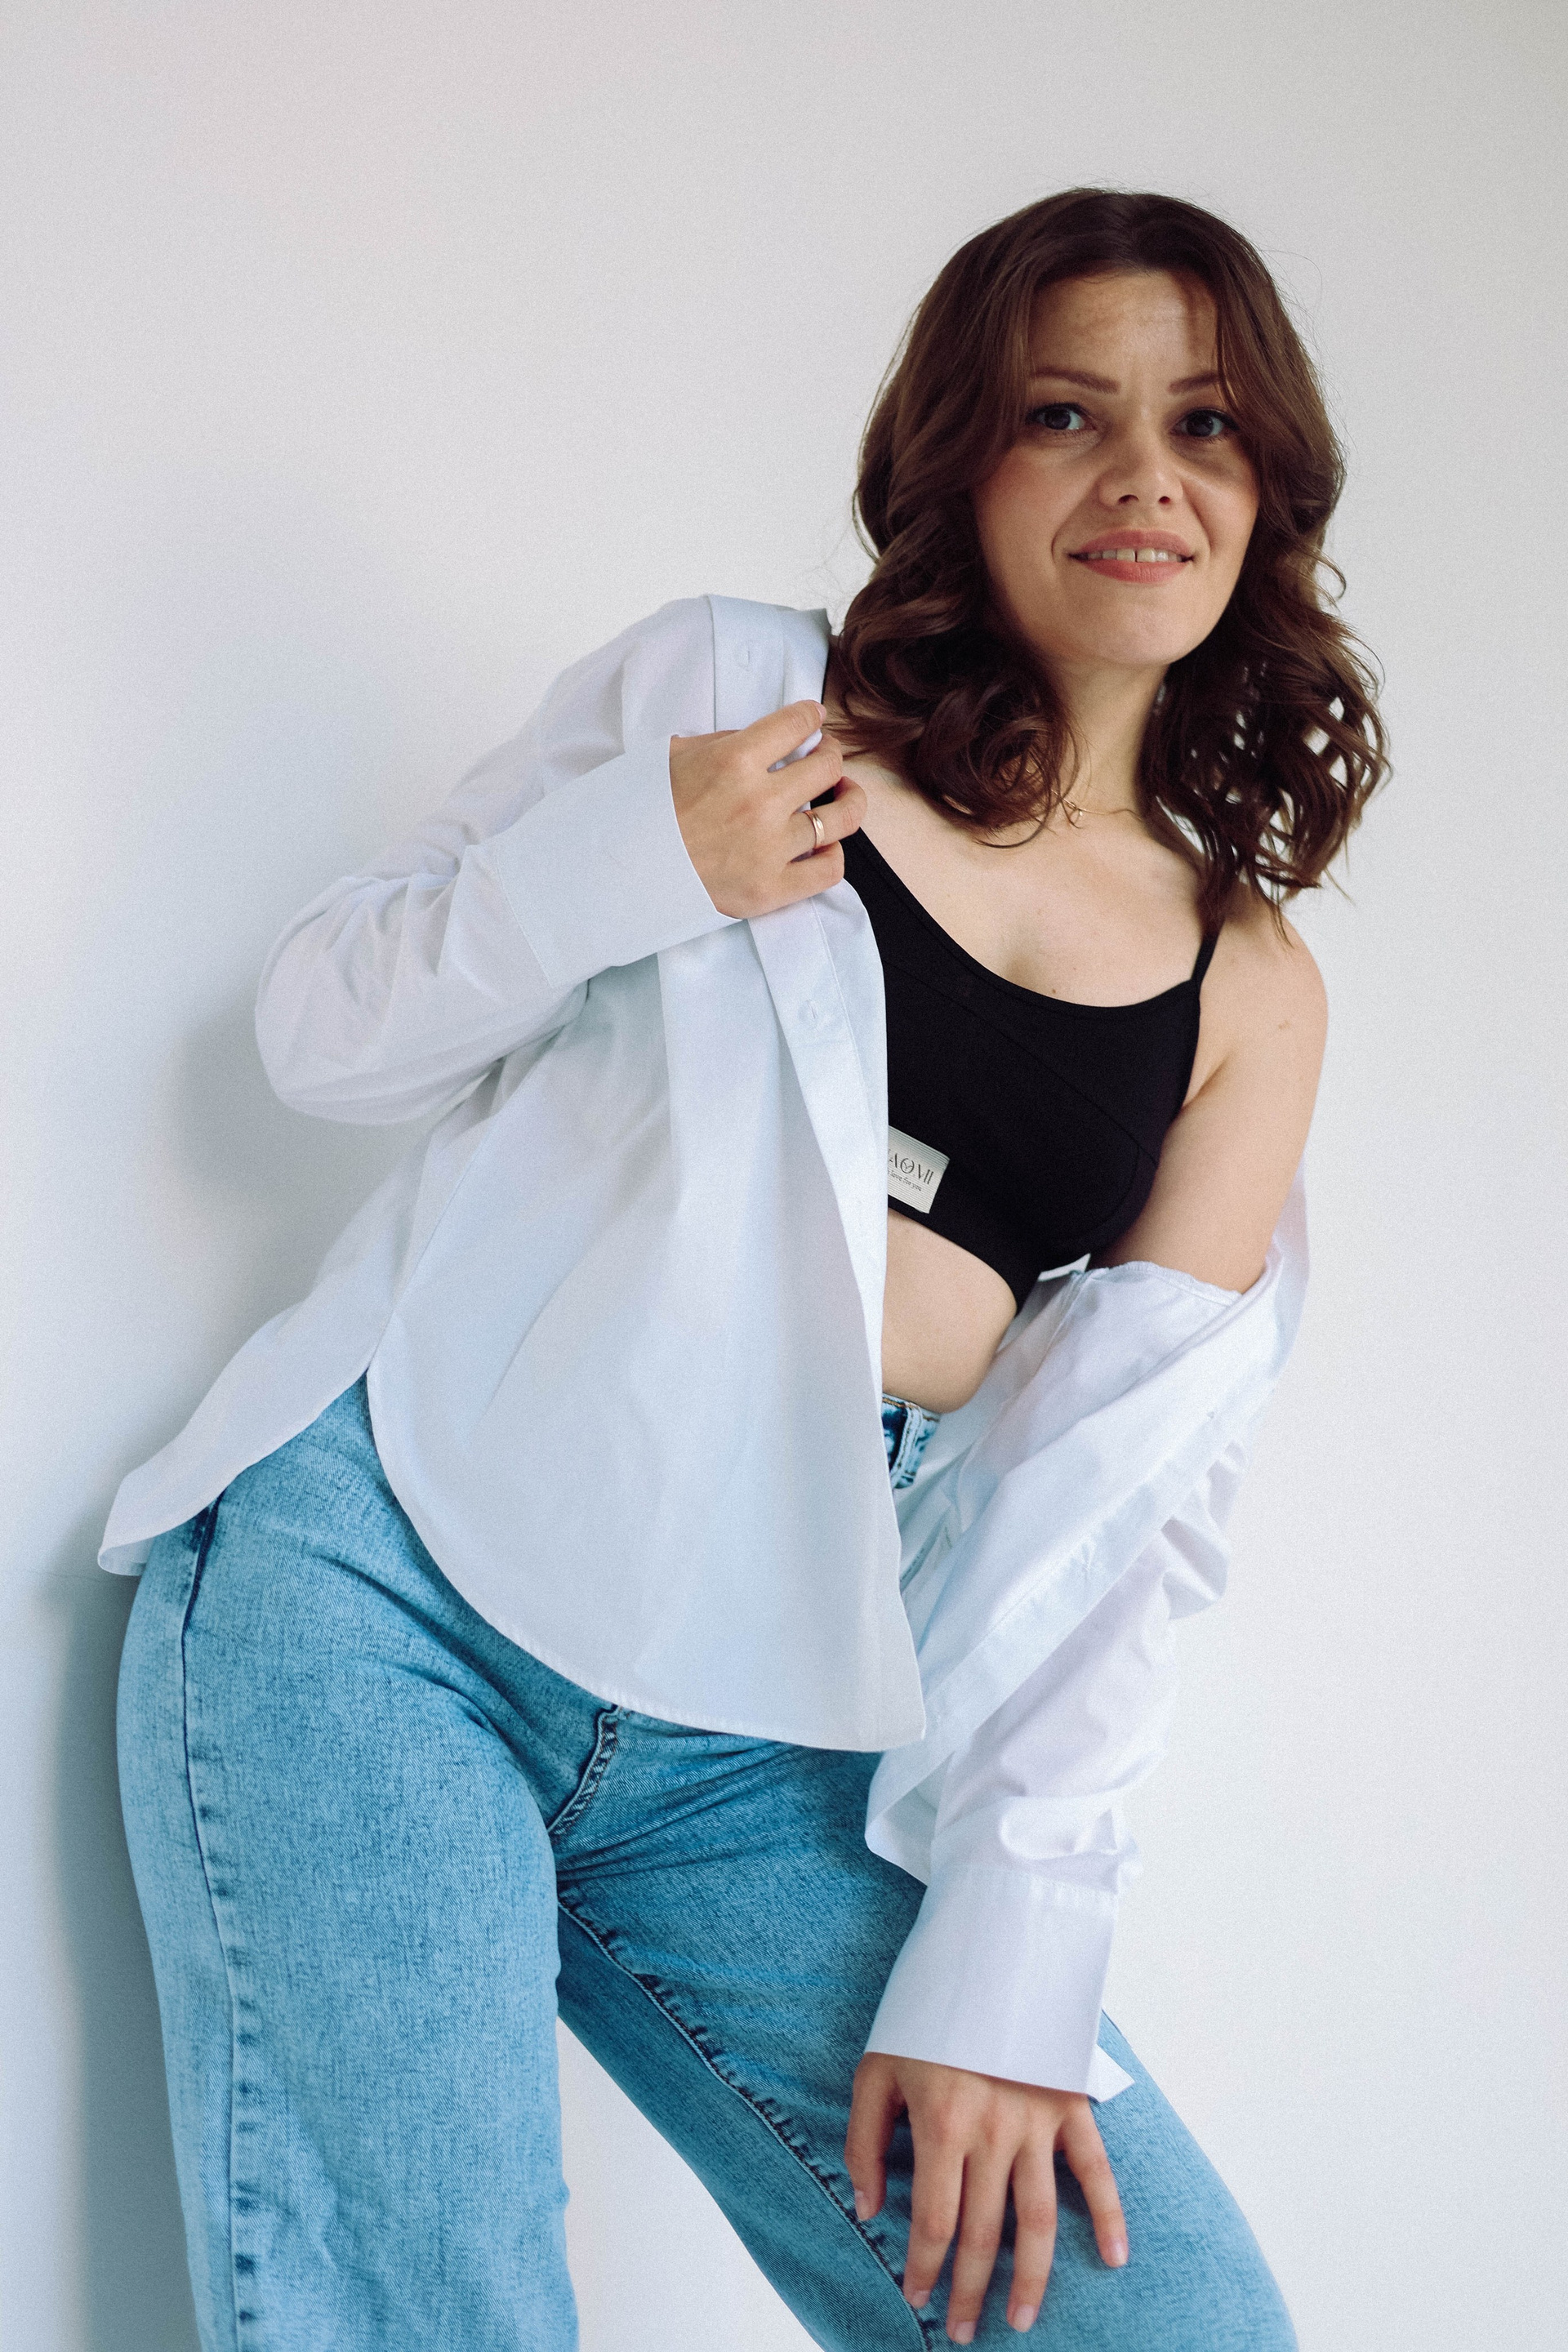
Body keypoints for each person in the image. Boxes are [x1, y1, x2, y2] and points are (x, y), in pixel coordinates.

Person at [105, 188, 1385, 2350]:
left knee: (1171, 2322)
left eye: (1207, 425)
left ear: (1269, 493)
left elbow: (1117, 1519)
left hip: (764, 1735)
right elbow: (323, 1037)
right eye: (1064, 413)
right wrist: (634, 857)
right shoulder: (737, 692)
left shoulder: (1246, 986)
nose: (1143, 478)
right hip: (390, 1598)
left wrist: (1006, 1962)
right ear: (961, 451)